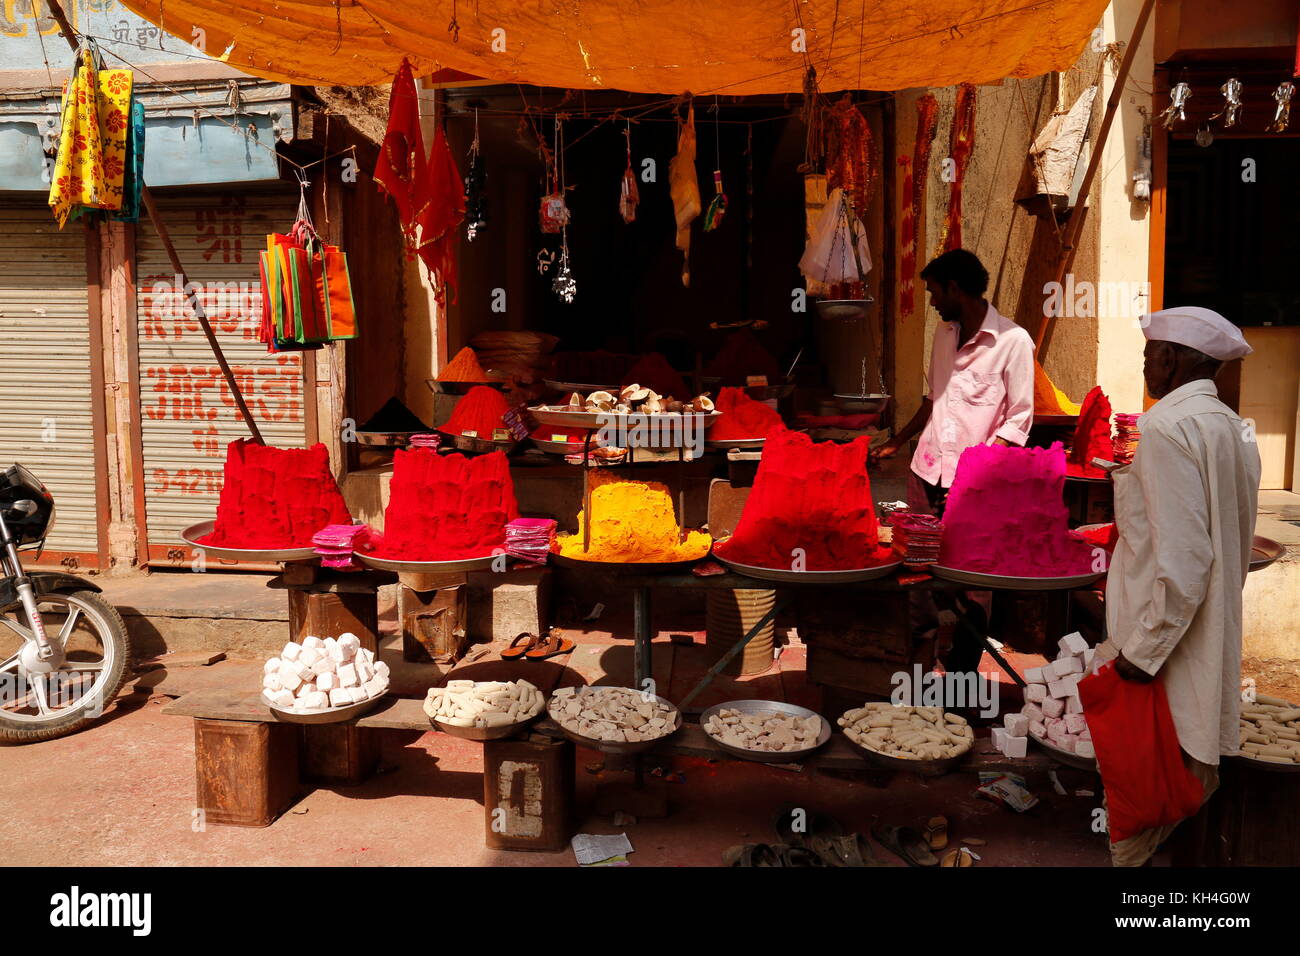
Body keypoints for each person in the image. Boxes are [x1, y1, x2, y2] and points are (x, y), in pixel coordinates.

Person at [1097, 306, 1260, 867]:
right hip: (1204, 629)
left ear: (1169, 359)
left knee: (1146, 798)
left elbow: (1186, 562)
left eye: (1149, 356)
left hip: (1164, 639)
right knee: (1190, 774)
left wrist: (1141, 652)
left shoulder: (1165, 426)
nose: (1146, 366)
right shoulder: (1233, 426)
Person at [872, 249, 1034, 672]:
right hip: (925, 471)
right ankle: (919, 663)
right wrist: (898, 441)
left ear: (955, 289)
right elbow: (934, 398)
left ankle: (962, 672)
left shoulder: (1014, 342)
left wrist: (979, 469)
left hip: (976, 485)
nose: (931, 302)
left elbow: (1019, 419)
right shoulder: (945, 334)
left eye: (933, 292)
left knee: (972, 580)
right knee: (915, 572)